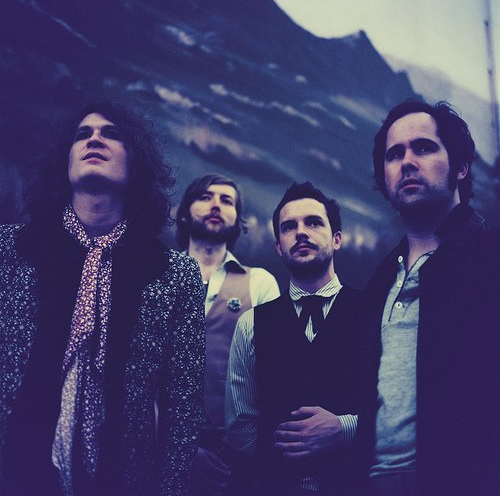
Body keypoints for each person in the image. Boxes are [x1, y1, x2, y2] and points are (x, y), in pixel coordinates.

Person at [0, 98, 205, 495]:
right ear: (66, 160)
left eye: (111, 134)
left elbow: (183, 406)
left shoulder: (174, 273)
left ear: (136, 164)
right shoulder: (11, 250)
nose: (95, 139)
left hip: (120, 479)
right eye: (83, 134)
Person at [356, 100, 500, 496]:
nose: (407, 162)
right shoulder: (379, 283)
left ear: (461, 167)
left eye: (424, 147)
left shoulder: (490, 258)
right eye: (394, 154)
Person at [226, 181, 360, 495]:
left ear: (337, 239)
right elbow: (241, 427)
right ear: (278, 246)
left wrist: (344, 428)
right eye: (289, 227)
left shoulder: (375, 313)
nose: (300, 232)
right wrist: (275, 475)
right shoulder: (250, 324)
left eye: (313, 222)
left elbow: (397, 414)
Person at [176, 174, 280, 495]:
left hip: (235, 456)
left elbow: (274, 374)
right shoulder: (157, 276)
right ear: (184, 213)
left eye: (226, 200)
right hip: (162, 444)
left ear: (237, 220)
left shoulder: (260, 283)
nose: (216, 205)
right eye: (205, 197)